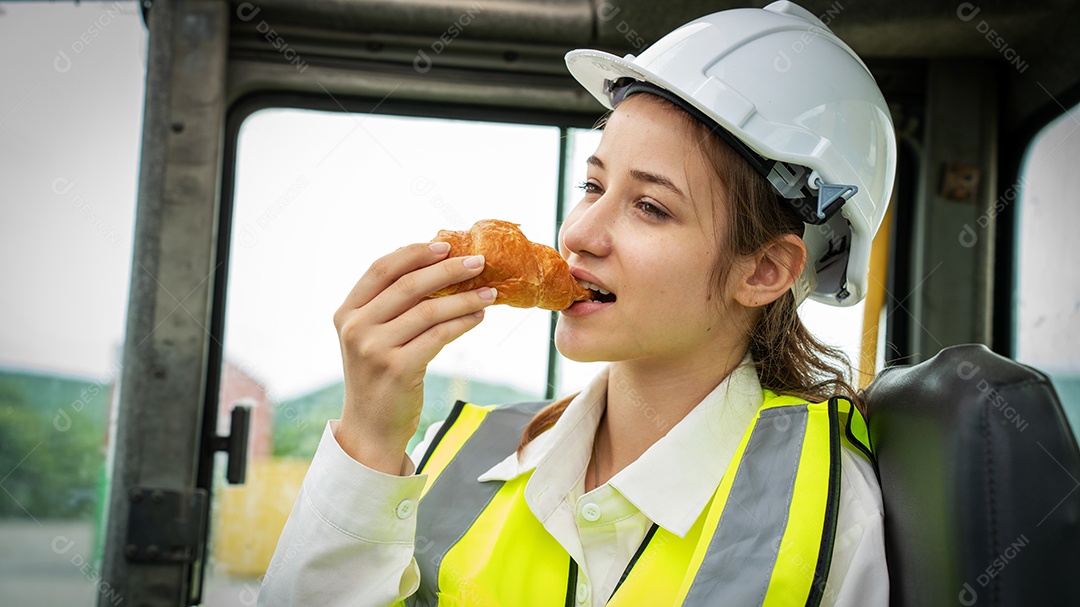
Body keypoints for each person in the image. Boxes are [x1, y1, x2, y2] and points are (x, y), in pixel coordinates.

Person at [259, 1, 895, 605]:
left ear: (762, 271)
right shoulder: (449, 455)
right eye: (592, 185)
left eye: (650, 206)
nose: (579, 234)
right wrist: (369, 437)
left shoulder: (835, 513)